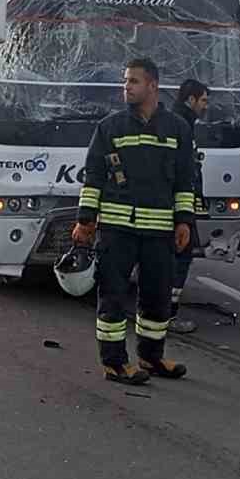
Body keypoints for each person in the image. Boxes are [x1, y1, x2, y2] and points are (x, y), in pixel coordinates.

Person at [72, 58, 197, 385]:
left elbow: (186, 180)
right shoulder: (110, 127)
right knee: (113, 296)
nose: (126, 86)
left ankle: (151, 357)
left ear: (153, 86)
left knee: (157, 296)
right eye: (125, 81)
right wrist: (85, 221)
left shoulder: (177, 129)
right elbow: (94, 177)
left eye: (134, 81)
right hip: (117, 230)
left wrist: (184, 221)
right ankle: (114, 363)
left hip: (159, 232)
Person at [168, 78, 209, 334]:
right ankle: (167, 314)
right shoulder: (181, 124)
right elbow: (183, 170)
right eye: (203, 100)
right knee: (180, 257)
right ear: (190, 99)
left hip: (177, 204)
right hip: (177, 206)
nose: (206, 106)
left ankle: (162, 311)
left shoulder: (181, 122)